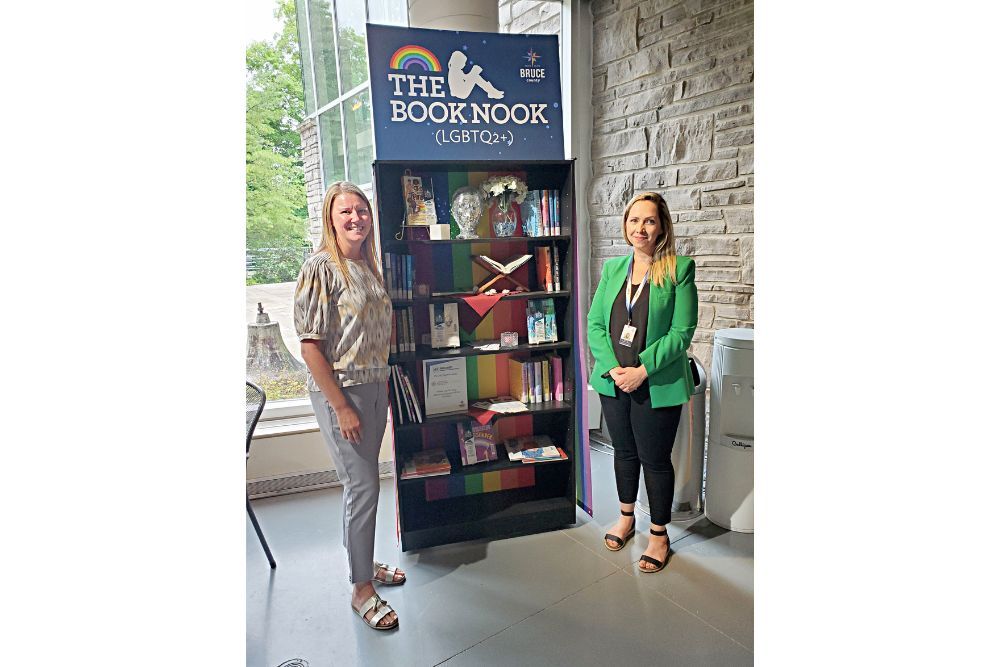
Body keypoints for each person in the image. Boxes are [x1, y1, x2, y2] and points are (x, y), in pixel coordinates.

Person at [293, 181, 405, 630]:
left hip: (374, 387)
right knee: (363, 488)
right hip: (343, 392)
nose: (356, 217)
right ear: (330, 219)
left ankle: (365, 563)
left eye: (362, 210)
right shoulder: (322, 267)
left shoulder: (367, 267)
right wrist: (341, 406)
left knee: (363, 487)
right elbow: (311, 347)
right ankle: (361, 588)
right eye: (346, 212)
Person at [586, 191, 698, 574]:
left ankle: (659, 535)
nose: (641, 228)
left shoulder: (679, 269)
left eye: (649, 220)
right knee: (623, 452)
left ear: (662, 226)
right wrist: (615, 367)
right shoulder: (613, 269)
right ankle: (625, 517)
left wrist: (642, 369)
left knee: (655, 459)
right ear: (626, 225)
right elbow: (595, 324)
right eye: (635, 220)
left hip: (656, 382)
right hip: (614, 380)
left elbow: (682, 332)